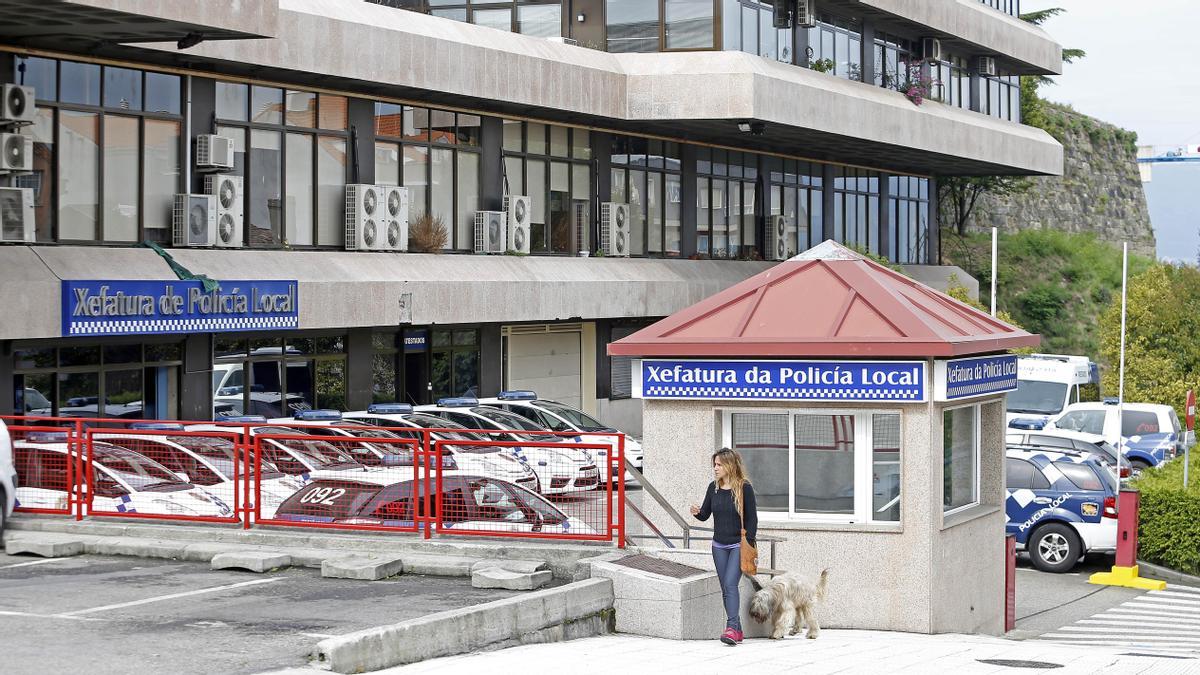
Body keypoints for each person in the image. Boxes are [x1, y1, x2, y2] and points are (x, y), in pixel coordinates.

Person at [691, 448, 757, 645]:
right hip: (718, 545)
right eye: (715, 464)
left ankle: (730, 627)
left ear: (729, 465)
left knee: (730, 584)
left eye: (719, 464)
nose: (715, 468)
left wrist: (748, 544)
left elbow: (752, 520)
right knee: (725, 588)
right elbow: (705, 515)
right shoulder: (713, 488)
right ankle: (736, 630)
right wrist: (697, 512)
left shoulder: (745, 488)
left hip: (738, 544)